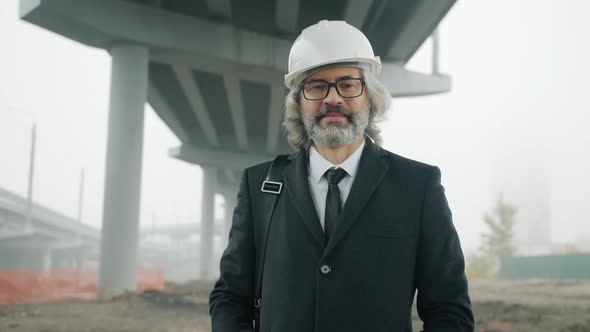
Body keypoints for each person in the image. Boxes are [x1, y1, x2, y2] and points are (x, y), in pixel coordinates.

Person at [209, 20, 474, 332]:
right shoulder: (260, 187)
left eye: (348, 85)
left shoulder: (418, 187)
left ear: (370, 98)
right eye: (316, 86)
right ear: (298, 102)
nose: (332, 99)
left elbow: (449, 311)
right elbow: (229, 297)